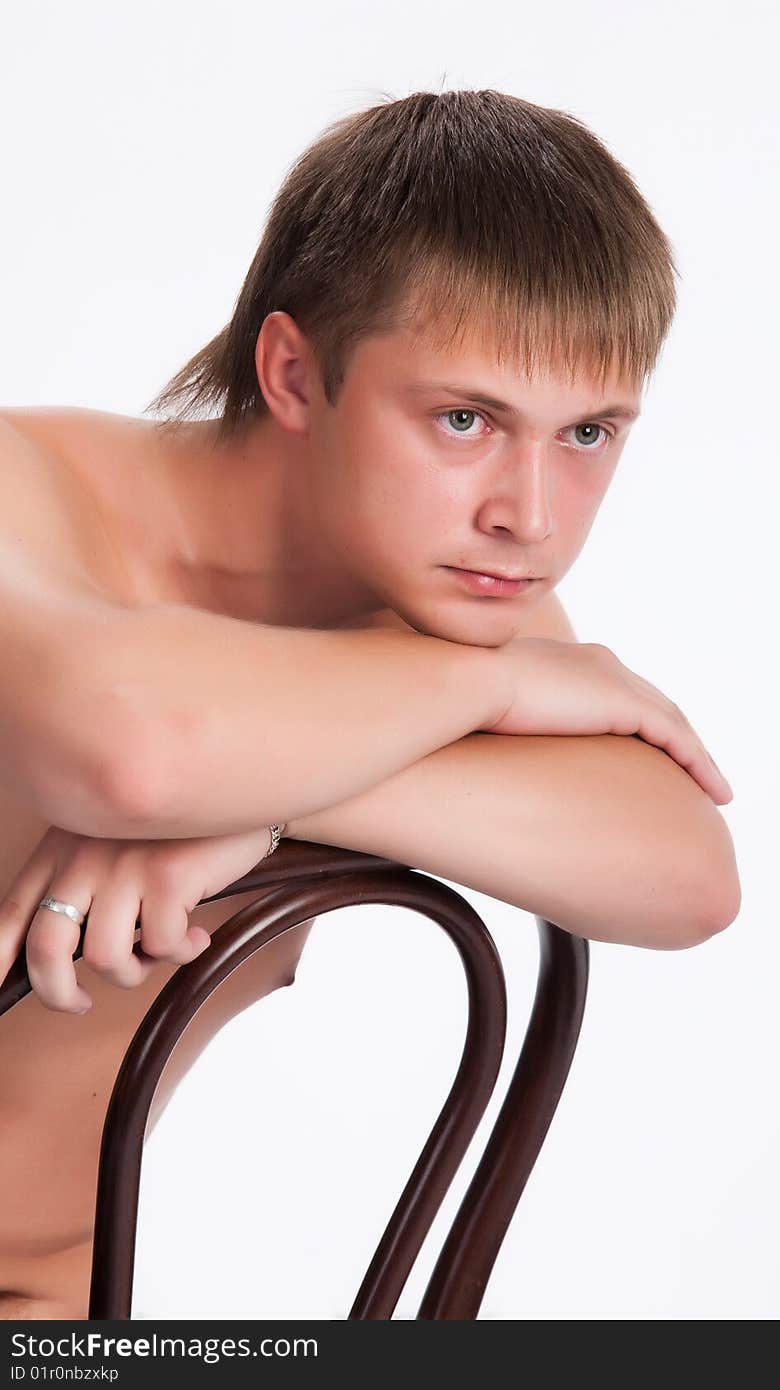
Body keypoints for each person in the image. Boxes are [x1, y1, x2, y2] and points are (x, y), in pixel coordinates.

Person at [0, 88, 740, 1319]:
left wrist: (284, 796)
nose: (533, 515)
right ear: (294, 373)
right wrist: (498, 686)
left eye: (589, 433)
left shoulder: (434, 616)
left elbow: (687, 871)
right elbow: (131, 749)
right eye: (465, 419)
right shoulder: (29, 494)